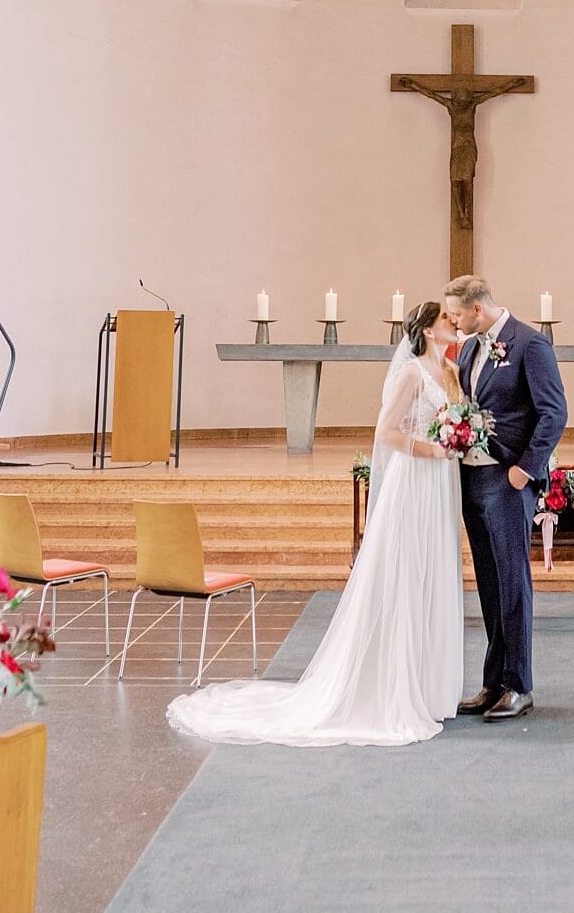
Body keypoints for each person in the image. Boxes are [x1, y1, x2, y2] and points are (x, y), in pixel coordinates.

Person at [166, 301, 463, 747]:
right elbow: (387, 433)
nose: (454, 323)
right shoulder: (411, 373)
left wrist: (456, 427)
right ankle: (393, 686)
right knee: (404, 572)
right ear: (425, 330)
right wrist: (432, 451)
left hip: (440, 482)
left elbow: (455, 420)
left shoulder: (448, 372)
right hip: (415, 478)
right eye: (446, 320)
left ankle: (428, 686)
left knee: (432, 573)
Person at [443, 274, 568, 721]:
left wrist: (524, 470)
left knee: (513, 584)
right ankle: (493, 681)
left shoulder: (529, 345)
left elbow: (554, 413)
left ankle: (519, 685)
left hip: (507, 479)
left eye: (457, 314)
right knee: (490, 585)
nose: (454, 323)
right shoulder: (474, 348)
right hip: (473, 480)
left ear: (478, 308)